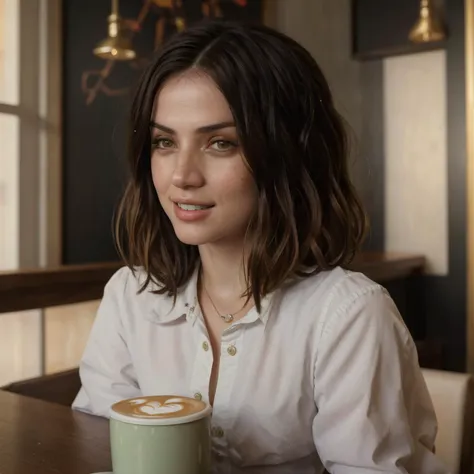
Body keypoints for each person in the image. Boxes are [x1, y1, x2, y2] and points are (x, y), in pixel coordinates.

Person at [72, 20, 448, 474]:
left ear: (286, 153)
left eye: (220, 143)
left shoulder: (348, 316)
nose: (182, 176)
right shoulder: (130, 295)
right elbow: (100, 443)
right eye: (165, 142)